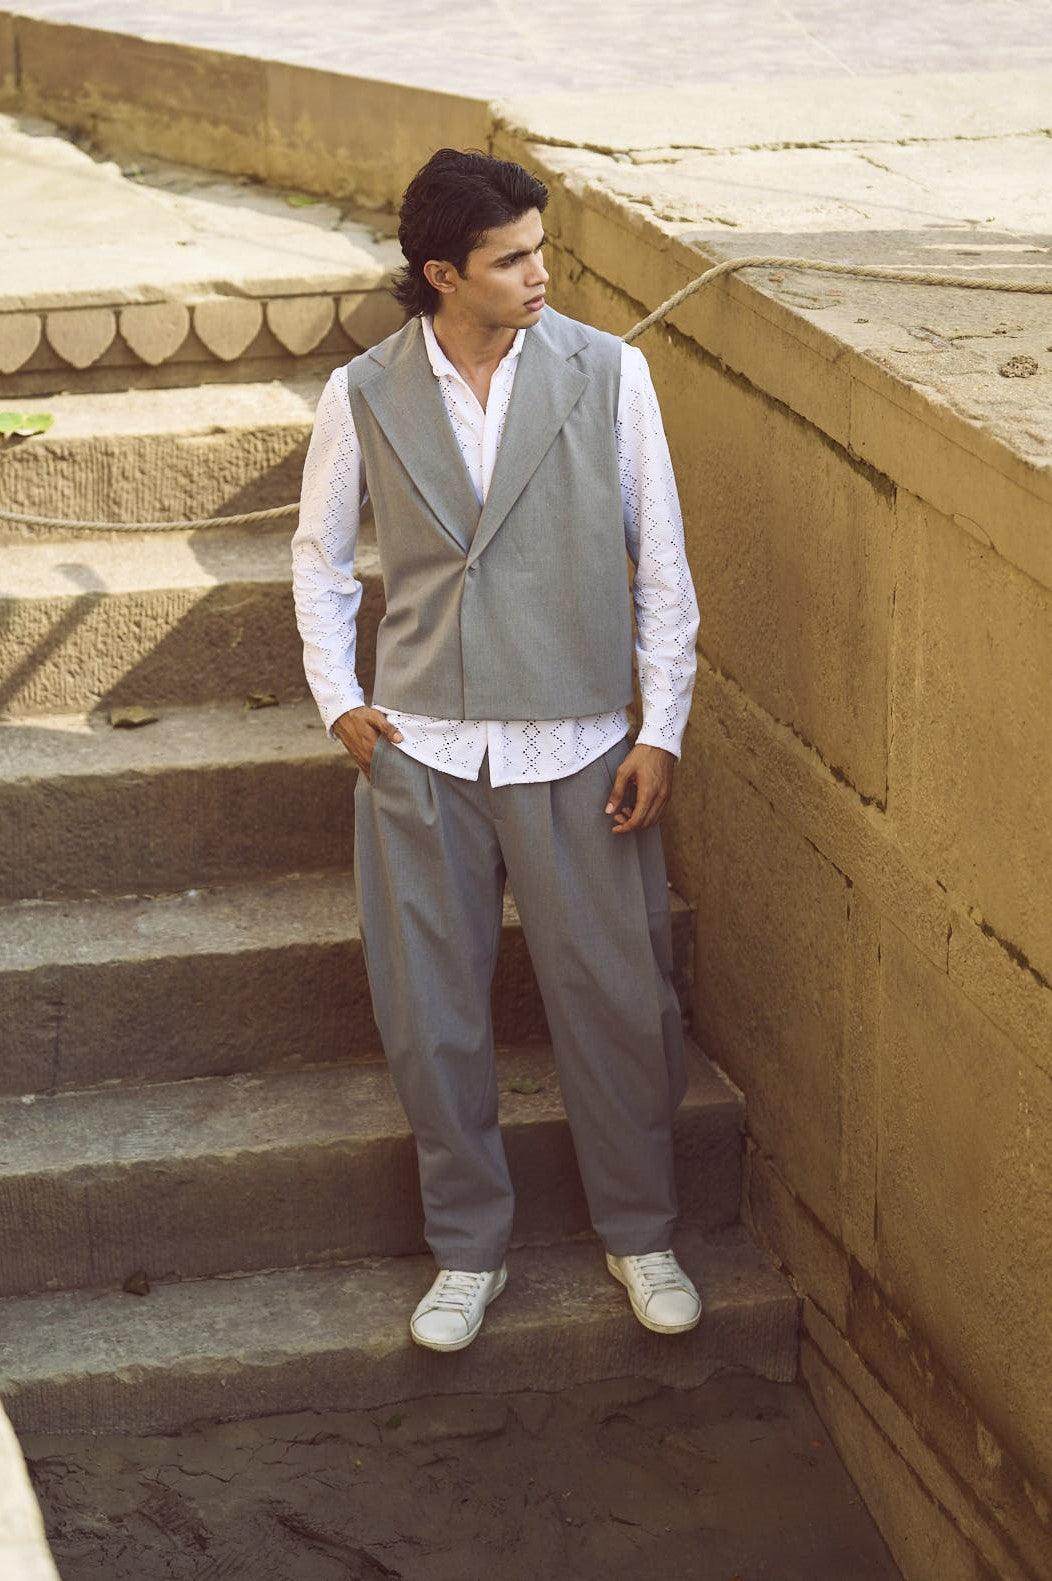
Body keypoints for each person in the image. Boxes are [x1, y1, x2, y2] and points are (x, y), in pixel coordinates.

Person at [291, 147, 703, 1353]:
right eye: (511, 259)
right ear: (441, 274)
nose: (539, 274)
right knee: (430, 1019)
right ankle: (466, 1252)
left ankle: (640, 1233)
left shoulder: (608, 372)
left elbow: (661, 562)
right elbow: (319, 556)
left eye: (539, 250)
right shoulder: (361, 392)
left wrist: (659, 728)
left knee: (619, 1004)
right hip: (420, 753)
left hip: (578, 746)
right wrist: (339, 699)